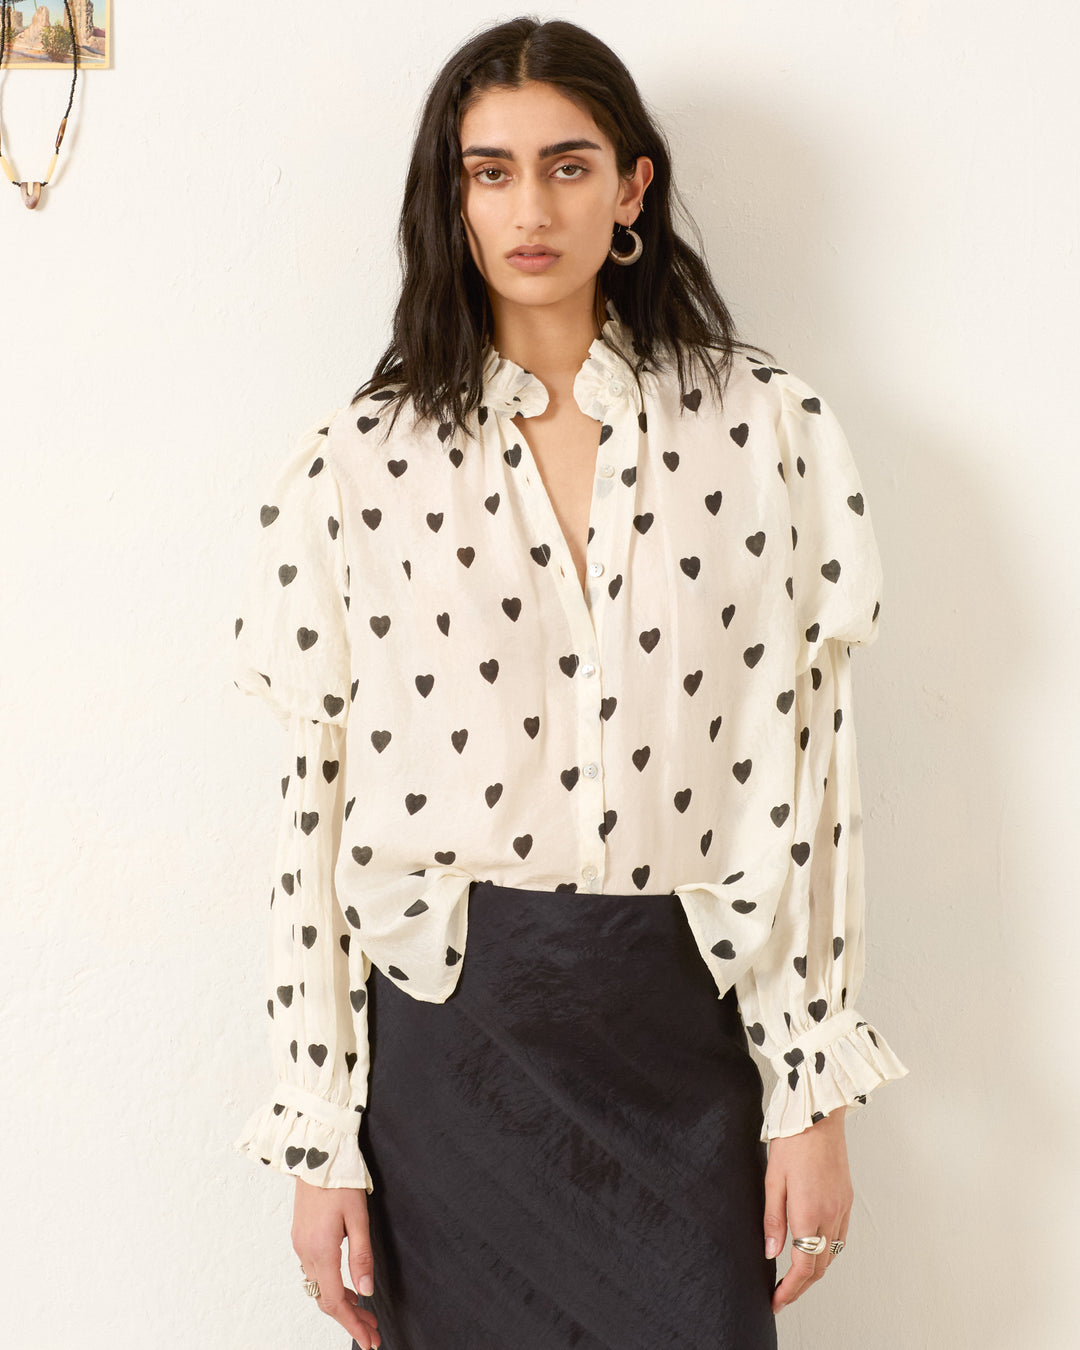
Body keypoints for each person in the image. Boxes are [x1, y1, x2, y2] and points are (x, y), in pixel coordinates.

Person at [229, 16, 908, 1350]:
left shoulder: (763, 430)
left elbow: (808, 773)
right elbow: (312, 807)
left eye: (568, 164)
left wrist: (809, 1092)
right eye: (490, 171)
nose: (530, 207)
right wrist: (322, 1137)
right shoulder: (357, 463)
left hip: (682, 1030)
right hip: (453, 1041)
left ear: (633, 186)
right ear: (452, 195)